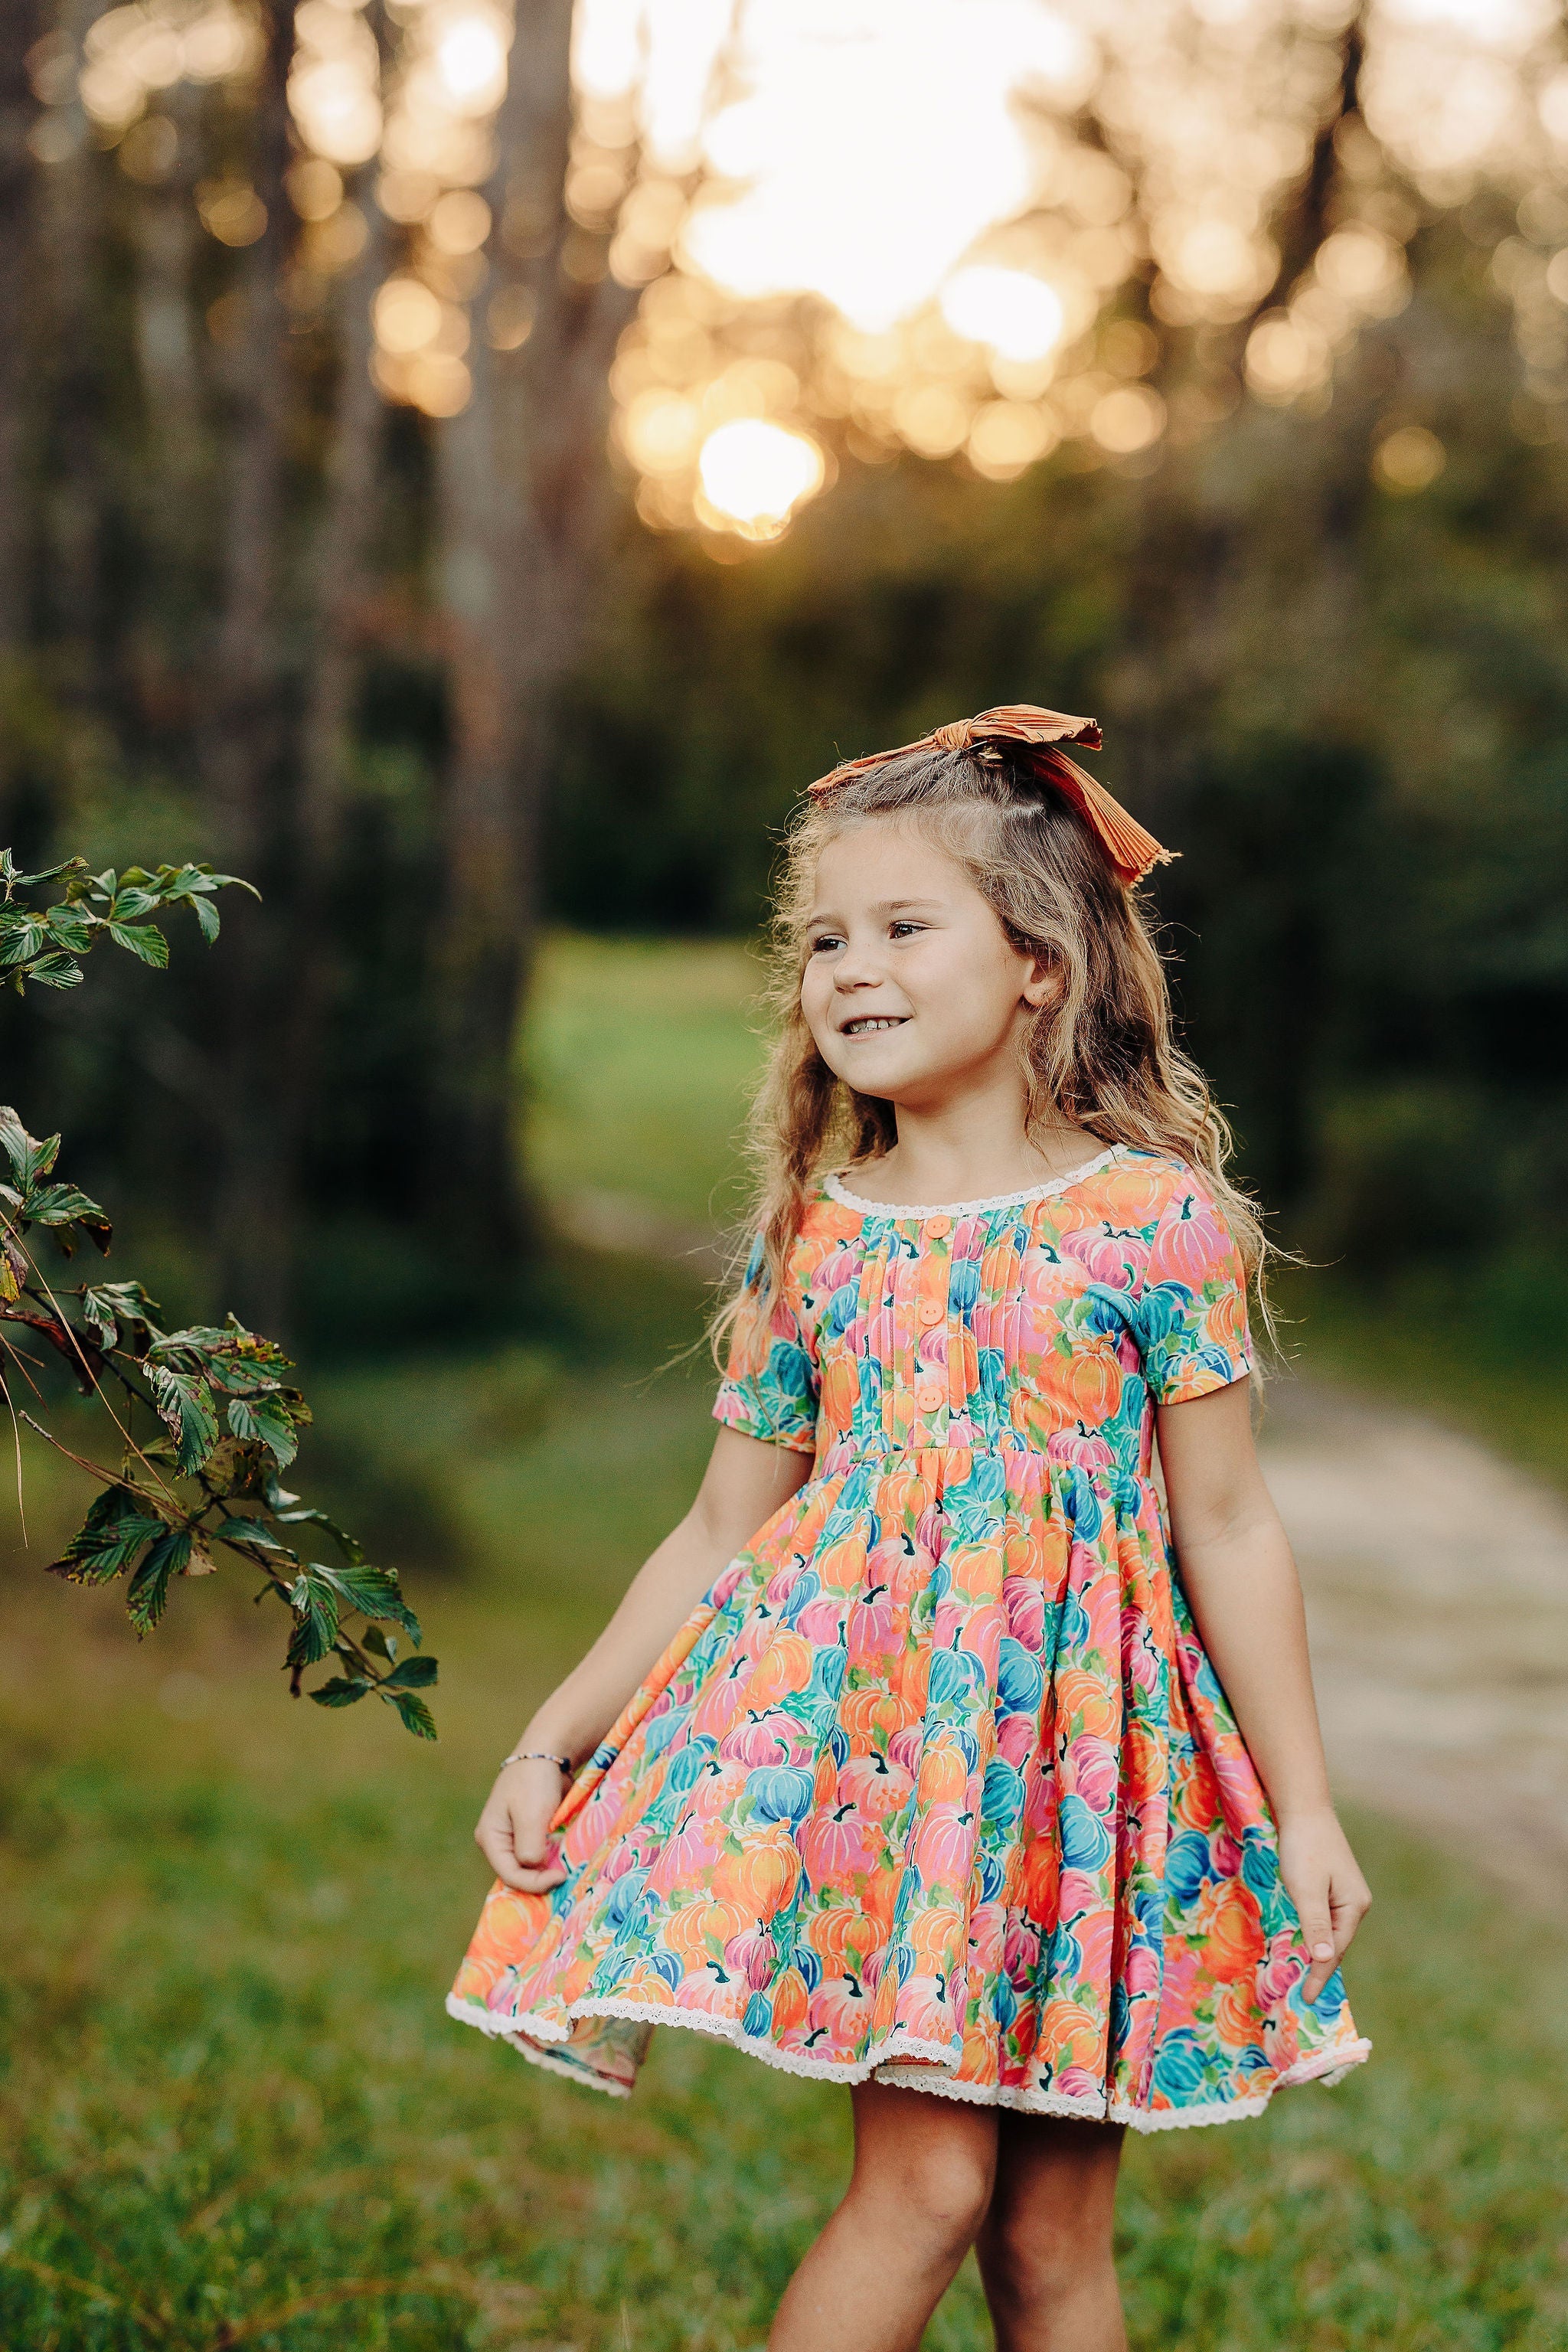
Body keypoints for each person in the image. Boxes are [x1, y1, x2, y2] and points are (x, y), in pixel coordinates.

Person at [449, 706, 1372, 2351]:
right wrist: (553, 1738)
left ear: (1038, 964)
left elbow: (1227, 1525)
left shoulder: (1148, 1223)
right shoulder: (819, 1238)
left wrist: (1302, 1808)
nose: (844, 968)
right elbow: (721, 1530)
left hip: (1078, 1780)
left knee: (1050, 2241)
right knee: (928, 2191)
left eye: (897, 926)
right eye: (820, 937)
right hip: (893, 1775)